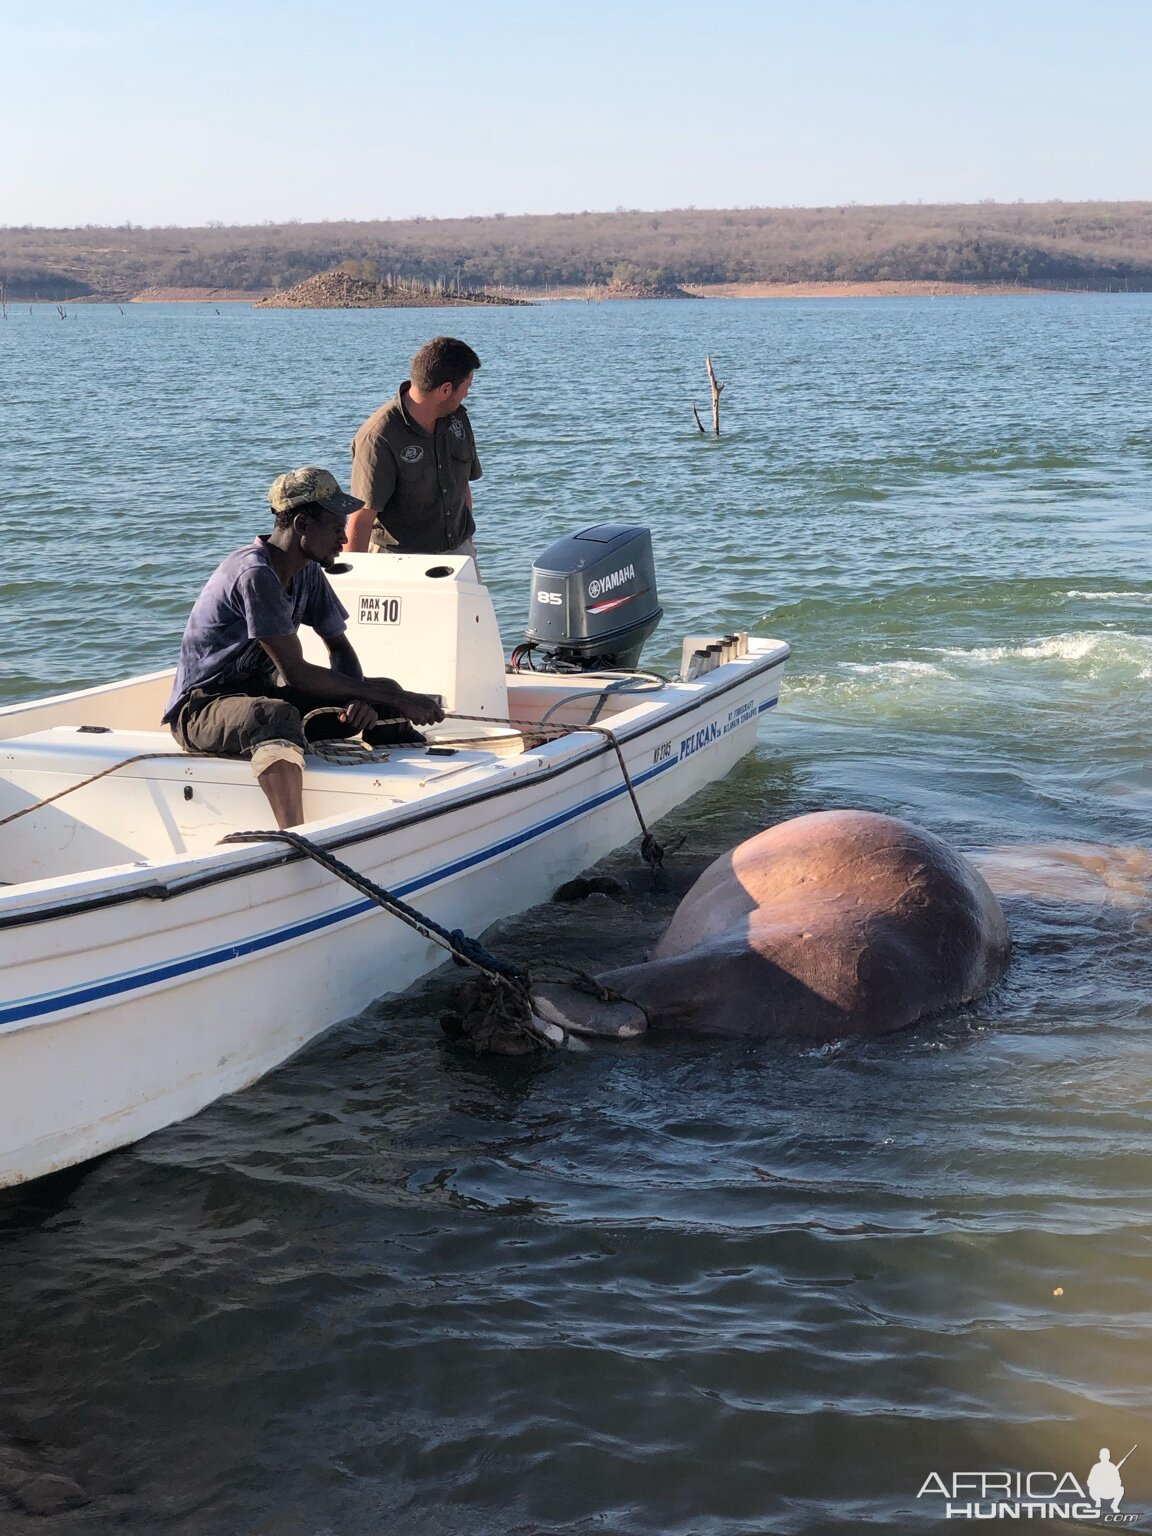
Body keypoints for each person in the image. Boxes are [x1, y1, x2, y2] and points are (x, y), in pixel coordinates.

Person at [163, 466, 444, 829]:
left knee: (385, 691)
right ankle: (296, 835)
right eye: (334, 527)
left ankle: (414, 798)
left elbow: (338, 646)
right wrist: (392, 697)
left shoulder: (307, 569)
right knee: (276, 716)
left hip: (257, 694)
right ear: (301, 525)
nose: (343, 539)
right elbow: (295, 672)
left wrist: (362, 699)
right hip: (202, 709)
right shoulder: (255, 575)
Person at [347, 336, 482, 560]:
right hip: (398, 562)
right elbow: (361, 517)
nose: (467, 394)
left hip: (459, 554)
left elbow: (463, 487)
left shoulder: (458, 420)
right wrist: (353, 583)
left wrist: (467, 546)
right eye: (466, 387)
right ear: (446, 389)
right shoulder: (378, 436)